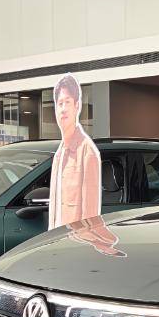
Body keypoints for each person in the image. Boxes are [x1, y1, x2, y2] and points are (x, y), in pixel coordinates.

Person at [48, 74, 102, 229]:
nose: (63, 109)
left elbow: (90, 217)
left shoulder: (87, 151)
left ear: (77, 106)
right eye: (60, 103)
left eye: (68, 102)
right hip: (56, 239)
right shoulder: (59, 155)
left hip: (74, 240)